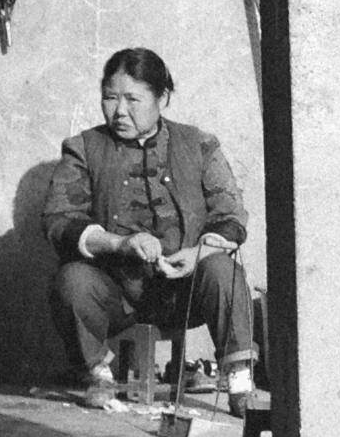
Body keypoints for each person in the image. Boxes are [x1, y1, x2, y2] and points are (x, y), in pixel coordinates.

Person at [40, 47, 261, 412]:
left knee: (225, 270)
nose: (119, 111)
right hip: (116, 294)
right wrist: (120, 243)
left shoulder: (200, 146)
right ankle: (98, 374)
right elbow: (58, 219)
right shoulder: (83, 148)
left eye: (133, 99)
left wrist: (197, 254)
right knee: (72, 281)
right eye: (110, 98)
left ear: (163, 98)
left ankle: (239, 382)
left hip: (184, 293)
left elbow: (232, 215)